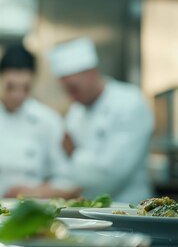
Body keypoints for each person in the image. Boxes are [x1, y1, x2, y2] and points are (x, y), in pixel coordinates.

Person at [11, 37, 153, 203]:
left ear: (91, 73)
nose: (70, 96)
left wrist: (73, 152)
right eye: (66, 90)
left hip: (130, 208)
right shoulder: (76, 112)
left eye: (73, 88)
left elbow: (111, 174)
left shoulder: (130, 102)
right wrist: (39, 190)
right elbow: (69, 171)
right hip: (90, 208)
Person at [0, 44, 74, 199]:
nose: (17, 95)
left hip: (34, 212)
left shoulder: (48, 121)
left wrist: (35, 192)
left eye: (25, 88)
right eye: (10, 87)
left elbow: (66, 178)